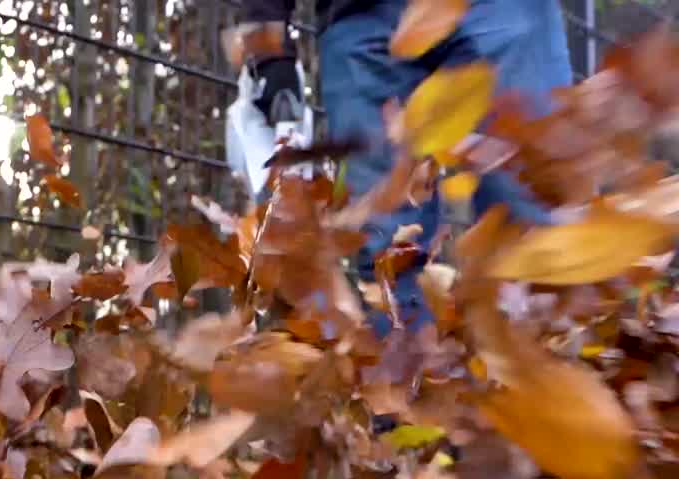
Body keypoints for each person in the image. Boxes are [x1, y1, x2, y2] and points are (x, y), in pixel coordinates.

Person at [227, 0, 574, 333]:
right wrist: (267, 48)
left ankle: (549, 379)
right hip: (359, 19)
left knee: (536, 203)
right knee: (387, 256)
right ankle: (411, 387)